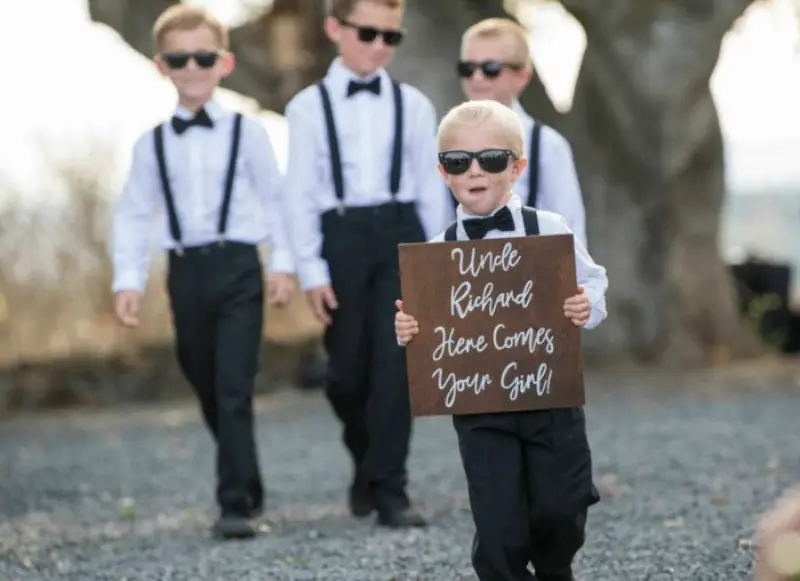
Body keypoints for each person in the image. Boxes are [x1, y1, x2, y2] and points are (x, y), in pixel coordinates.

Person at [395, 99, 607, 581]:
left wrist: (585, 305)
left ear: (516, 167)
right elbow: (426, 329)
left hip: (549, 400)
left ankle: (555, 567)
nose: (475, 170)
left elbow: (593, 280)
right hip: (480, 408)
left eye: (491, 159)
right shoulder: (437, 253)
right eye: (458, 161)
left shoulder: (548, 229)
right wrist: (408, 329)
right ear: (443, 173)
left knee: (561, 507)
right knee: (497, 525)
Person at [110, 4, 296, 540]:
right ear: (161, 66)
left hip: (238, 267)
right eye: (179, 59)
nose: (192, 68)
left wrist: (283, 263)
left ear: (224, 63)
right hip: (185, 272)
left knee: (234, 385)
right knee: (205, 379)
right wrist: (128, 280)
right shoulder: (151, 145)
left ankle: (234, 504)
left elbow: (276, 201)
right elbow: (134, 213)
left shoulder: (249, 133)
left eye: (203, 57)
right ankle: (247, 475)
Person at [281, 0, 453, 528]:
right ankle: (366, 462)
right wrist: (310, 269)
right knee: (345, 374)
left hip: (402, 233)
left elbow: (431, 190)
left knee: (395, 367)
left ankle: (391, 489)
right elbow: (299, 194)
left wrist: (438, 260)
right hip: (341, 238)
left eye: (391, 37)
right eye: (369, 33)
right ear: (335, 28)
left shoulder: (414, 104)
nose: (380, 46)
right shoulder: (307, 108)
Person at [458, 17, 587, 246]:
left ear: (522, 76)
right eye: (467, 68)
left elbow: (571, 233)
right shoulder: (444, 142)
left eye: (490, 69)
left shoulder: (546, 146)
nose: (477, 78)